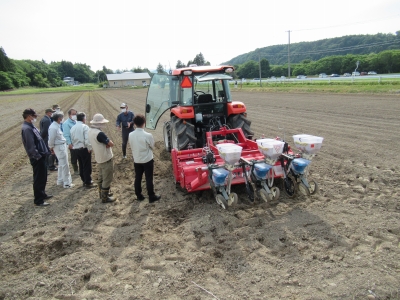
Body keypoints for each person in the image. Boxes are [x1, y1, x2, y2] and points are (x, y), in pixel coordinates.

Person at [21, 108, 52, 207]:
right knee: (38, 178)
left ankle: (42, 194)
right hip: (37, 158)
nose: (35, 118)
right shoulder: (27, 129)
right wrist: (38, 156)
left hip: (42, 155)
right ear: (29, 116)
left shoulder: (31, 126)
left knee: (43, 177)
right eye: (34, 116)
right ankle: (38, 200)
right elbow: (31, 146)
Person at [128, 114, 161, 203]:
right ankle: (151, 196)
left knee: (138, 177)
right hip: (147, 159)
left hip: (137, 159)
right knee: (149, 178)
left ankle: (139, 195)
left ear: (134, 123)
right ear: (144, 123)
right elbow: (152, 146)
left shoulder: (130, 134)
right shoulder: (148, 135)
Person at [88, 113, 115, 203]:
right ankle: (105, 197)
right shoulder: (99, 133)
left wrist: (106, 144)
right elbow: (111, 143)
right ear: (99, 123)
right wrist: (108, 144)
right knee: (107, 178)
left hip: (99, 157)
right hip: (105, 158)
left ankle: (101, 193)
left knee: (101, 177)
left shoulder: (90, 131)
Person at [48, 112, 74, 188]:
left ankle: (60, 180)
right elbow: (51, 139)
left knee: (61, 165)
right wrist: (51, 147)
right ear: (59, 119)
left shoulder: (56, 126)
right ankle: (67, 183)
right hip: (59, 147)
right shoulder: (53, 127)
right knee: (65, 165)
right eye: (61, 118)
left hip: (61, 146)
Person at [70, 112, 96, 188]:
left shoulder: (73, 127)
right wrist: (89, 147)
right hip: (84, 148)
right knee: (87, 165)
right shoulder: (84, 127)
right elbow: (87, 139)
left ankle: (84, 180)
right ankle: (88, 182)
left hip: (76, 148)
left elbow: (72, 138)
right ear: (83, 118)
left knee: (81, 164)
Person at [62, 108, 79, 175]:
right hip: (73, 143)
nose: (75, 115)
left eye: (75, 114)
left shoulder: (76, 122)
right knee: (74, 157)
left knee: (79, 156)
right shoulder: (66, 124)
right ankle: (75, 170)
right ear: (69, 115)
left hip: (78, 142)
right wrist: (69, 143)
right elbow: (66, 134)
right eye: (73, 114)